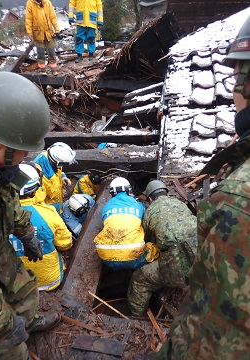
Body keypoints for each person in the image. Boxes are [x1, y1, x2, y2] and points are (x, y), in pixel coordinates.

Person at [153, 15, 250, 360]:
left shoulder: (238, 197)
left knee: (143, 280)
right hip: (186, 262)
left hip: (179, 270)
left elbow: (210, 341)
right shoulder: (176, 206)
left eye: (238, 76)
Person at [0, 71, 59, 360]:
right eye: (22, 152)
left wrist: (25, 231)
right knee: (8, 349)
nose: (26, 157)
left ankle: (25, 321)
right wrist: (2, 325)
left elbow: (7, 200)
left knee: (25, 288)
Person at [127, 179, 197, 317]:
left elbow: (145, 238)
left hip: (176, 263)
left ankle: (135, 319)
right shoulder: (180, 204)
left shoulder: (150, 211)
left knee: (139, 280)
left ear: (150, 199)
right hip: (202, 251)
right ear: (165, 192)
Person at [9, 162, 73, 292]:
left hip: (12, 286)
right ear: (34, 191)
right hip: (49, 282)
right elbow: (65, 244)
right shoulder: (49, 214)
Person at [94, 177, 159, 271]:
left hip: (106, 257)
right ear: (129, 191)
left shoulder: (106, 207)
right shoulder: (138, 205)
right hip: (134, 258)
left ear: (112, 193)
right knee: (154, 248)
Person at [34, 142, 76, 215]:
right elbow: (38, 203)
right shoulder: (38, 177)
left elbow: (58, 171)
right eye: (62, 164)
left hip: (57, 202)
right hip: (50, 209)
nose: (63, 166)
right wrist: (51, 210)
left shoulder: (52, 158)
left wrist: (63, 177)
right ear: (56, 163)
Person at [26, 0, 61, 76]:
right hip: (38, 33)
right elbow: (28, 19)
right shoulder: (30, 3)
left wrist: (57, 30)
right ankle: (43, 70)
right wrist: (29, 32)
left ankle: (54, 69)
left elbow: (53, 17)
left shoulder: (47, 2)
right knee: (40, 53)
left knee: (52, 52)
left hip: (49, 32)